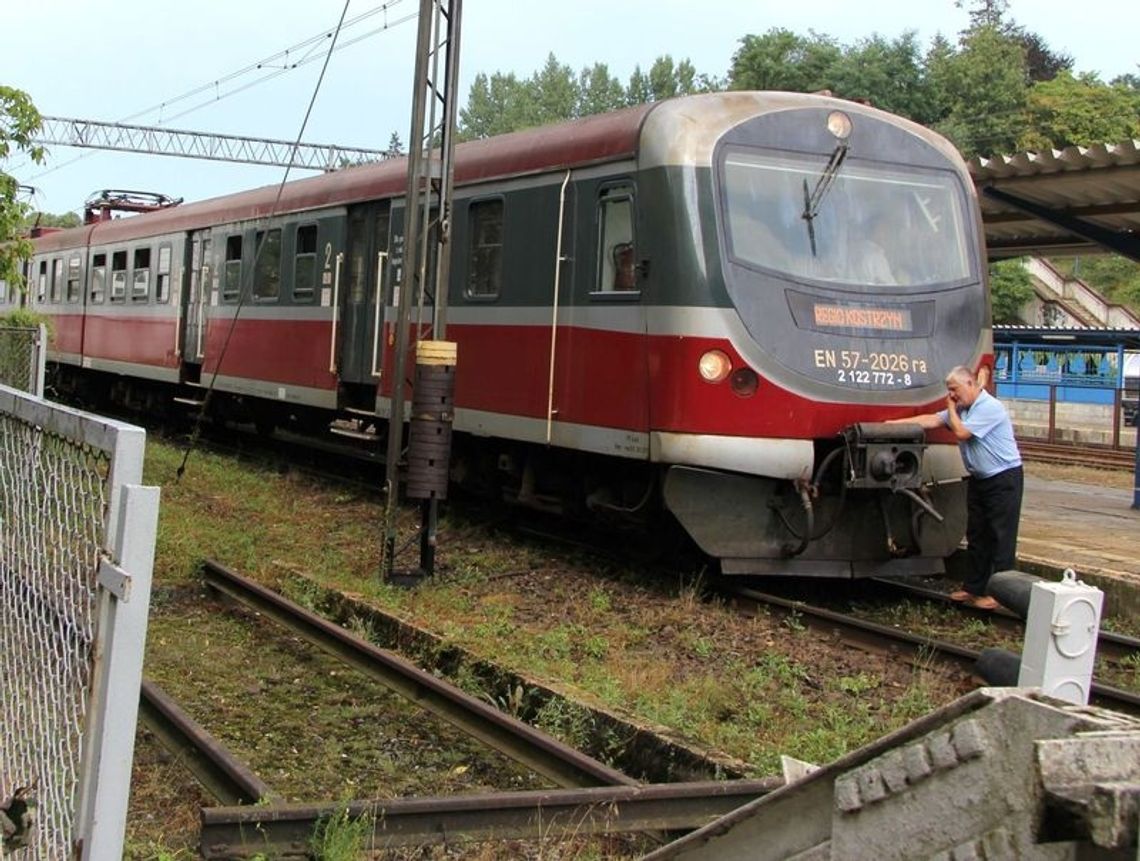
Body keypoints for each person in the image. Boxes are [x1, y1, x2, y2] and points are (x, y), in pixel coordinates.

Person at [889, 365, 1023, 609]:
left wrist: (951, 408)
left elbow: (961, 432)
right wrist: (892, 424)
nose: (952, 395)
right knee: (977, 534)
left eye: (954, 390)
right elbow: (930, 420)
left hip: (1003, 479)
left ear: (970, 384)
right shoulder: (964, 408)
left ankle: (1002, 593)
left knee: (1001, 536)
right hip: (980, 479)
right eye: (949, 391)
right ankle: (974, 588)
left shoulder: (989, 408)